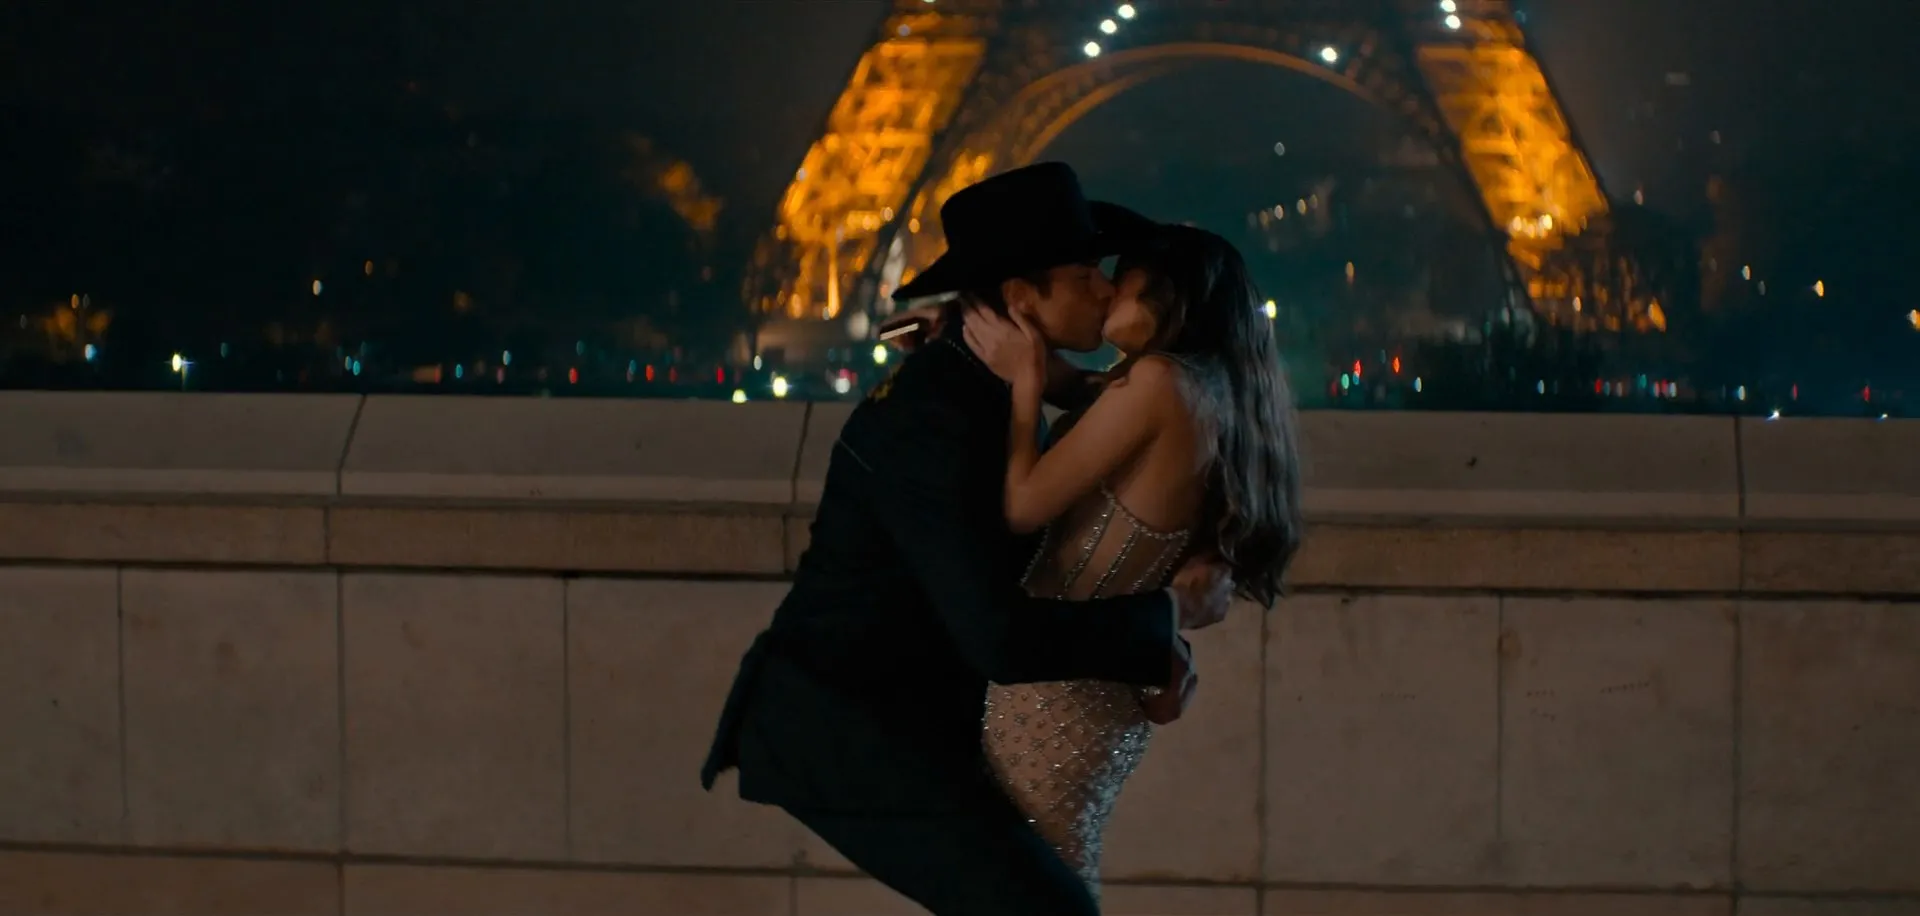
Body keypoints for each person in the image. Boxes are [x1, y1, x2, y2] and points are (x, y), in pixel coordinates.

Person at [700, 162, 1234, 916]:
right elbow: (1001, 638)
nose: (1106, 287)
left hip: (914, 712)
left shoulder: (975, 386)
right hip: (854, 733)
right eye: (1084, 274)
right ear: (1020, 299)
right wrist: (1169, 618)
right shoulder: (935, 420)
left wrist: (1050, 378)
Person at [960, 223, 1305, 900]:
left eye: (1122, 276)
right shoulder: (1209, 394)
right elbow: (1089, 393)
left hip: (1048, 693)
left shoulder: (1157, 383)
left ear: (1168, 290)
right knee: (1047, 883)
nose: (1106, 288)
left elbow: (1023, 505)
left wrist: (1025, 384)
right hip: (1100, 698)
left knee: (1022, 891)